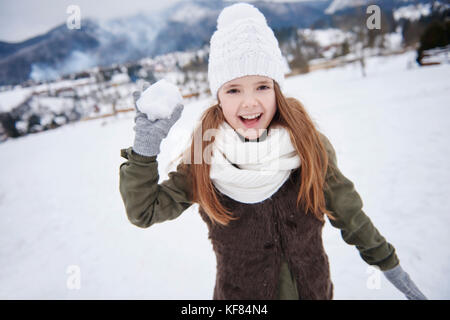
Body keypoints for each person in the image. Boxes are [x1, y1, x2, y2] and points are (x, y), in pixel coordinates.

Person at [119, 2, 427, 300]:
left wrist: (390, 266)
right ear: (218, 97)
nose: (250, 102)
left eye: (262, 86)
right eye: (234, 89)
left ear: (277, 89)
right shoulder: (206, 157)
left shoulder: (307, 145)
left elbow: (350, 215)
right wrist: (145, 149)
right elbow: (144, 211)